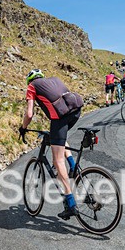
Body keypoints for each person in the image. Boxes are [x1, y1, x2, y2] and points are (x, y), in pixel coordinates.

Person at [19, 69, 84, 220]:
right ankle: (74, 167)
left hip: (60, 117)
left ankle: (70, 203)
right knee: (60, 141)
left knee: (57, 160)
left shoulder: (32, 86)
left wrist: (23, 128)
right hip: (76, 110)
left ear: (30, 80)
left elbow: (29, 114)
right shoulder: (54, 79)